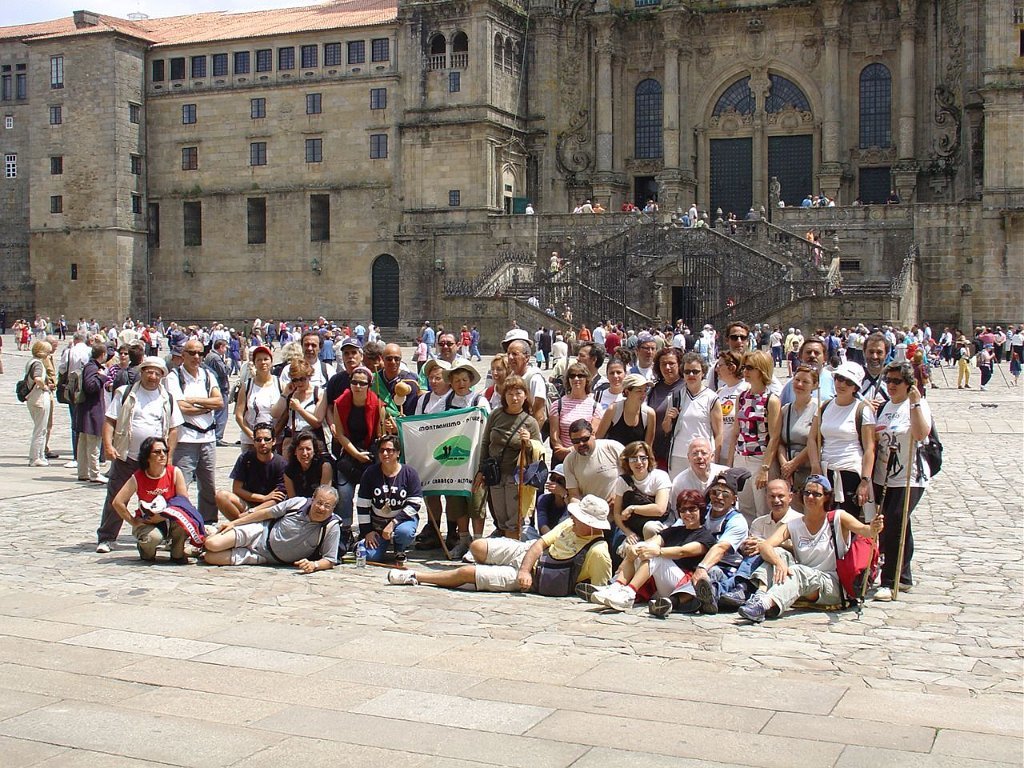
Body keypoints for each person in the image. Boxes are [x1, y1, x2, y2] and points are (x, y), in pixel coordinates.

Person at [386, 495, 612, 594]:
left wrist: (526, 574)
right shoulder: (569, 526)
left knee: (466, 572)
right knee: (478, 546)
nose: (572, 519)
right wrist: (524, 567)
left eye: (578, 517)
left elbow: (599, 590)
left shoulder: (598, 552)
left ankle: (417, 577)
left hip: (541, 576)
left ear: (591, 525)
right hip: (529, 555)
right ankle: (482, 564)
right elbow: (539, 544)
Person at [736, 475, 883, 622]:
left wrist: (875, 527)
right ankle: (760, 595)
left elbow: (866, 530)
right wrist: (779, 563)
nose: (810, 497)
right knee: (779, 552)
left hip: (830, 583)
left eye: (816, 494)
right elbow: (766, 545)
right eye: (807, 493)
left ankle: (765, 604)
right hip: (802, 578)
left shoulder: (837, 518)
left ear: (826, 497)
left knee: (798, 570)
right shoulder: (794, 525)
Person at [97, 356, 184, 553]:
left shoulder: (167, 398)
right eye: (148, 372)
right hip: (127, 455)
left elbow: (173, 429)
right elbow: (110, 420)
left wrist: (168, 455)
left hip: (154, 460)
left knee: (161, 499)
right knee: (116, 495)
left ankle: (166, 535)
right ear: (141, 372)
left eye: (156, 373)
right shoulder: (125, 393)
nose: (152, 376)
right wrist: (109, 446)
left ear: (162, 376)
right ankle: (107, 537)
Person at [582, 489, 716, 615]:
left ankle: (629, 593)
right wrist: (634, 549)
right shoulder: (674, 531)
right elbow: (652, 542)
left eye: (692, 509)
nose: (687, 514)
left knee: (655, 556)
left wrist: (658, 551)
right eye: (683, 509)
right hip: (660, 584)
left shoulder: (706, 536)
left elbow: (683, 552)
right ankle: (616, 587)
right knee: (640, 549)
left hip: (682, 585)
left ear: (701, 510)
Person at [871, 361, 932, 600]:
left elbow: (920, 434)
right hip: (883, 476)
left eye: (897, 381)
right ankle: (903, 575)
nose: (892, 385)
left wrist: (916, 402)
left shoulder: (916, 405)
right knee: (896, 525)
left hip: (910, 475)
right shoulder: (885, 406)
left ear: (909, 384)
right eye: (889, 381)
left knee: (896, 520)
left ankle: (890, 579)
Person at [204, 485, 341, 573]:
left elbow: (330, 559)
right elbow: (266, 513)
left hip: (263, 557)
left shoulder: (331, 526)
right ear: (313, 499)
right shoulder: (297, 503)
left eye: (327, 506)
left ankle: (206, 541)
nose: (321, 508)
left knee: (210, 557)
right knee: (212, 544)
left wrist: (314, 565)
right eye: (319, 503)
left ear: (333, 508)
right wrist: (235, 523)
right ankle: (209, 534)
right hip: (259, 533)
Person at [474, 375, 542, 537]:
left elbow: (539, 453)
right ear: (504, 396)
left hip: (516, 476)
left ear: (525, 396)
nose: (514, 398)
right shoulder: (496, 415)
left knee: (514, 519)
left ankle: (512, 549)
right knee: (500, 516)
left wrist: (529, 442)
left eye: (518, 393)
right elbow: (485, 443)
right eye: (510, 394)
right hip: (495, 473)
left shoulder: (530, 422)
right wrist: (481, 470)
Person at [808, 361, 876, 521]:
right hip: (826, 471)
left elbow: (869, 448)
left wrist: (865, 481)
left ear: (855, 387)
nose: (842, 384)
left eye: (848, 382)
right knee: (825, 520)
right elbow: (812, 438)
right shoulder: (824, 406)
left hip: (851, 472)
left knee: (848, 520)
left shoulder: (863, 411)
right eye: (839, 378)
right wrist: (815, 465)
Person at [165, 338, 222, 527]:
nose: (196, 357)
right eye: (192, 353)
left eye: (200, 353)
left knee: (208, 485)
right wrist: (206, 405)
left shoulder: (207, 376)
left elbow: (219, 402)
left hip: (208, 438)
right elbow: (181, 408)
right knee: (181, 485)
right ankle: (178, 523)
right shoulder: (174, 377)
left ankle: (208, 522)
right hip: (185, 439)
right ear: (183, 355)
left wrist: (194, 401)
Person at [111, 436, 192, 561]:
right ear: (147, 456)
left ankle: (177, 552)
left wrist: (163, 516)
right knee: (152, 540)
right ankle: (144, 548)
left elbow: (183, 502)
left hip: (171, 518)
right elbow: (118, 502)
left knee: (184, 524)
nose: (162, 455)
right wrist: (133, 521)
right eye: (157, 452)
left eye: (165, 451)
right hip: (147, 521)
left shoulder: (175, 472)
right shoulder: (138, 477)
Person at [327, 365, 385, 531]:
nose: (358, 386)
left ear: (369, 385)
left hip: (370, 449)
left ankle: (372, 527)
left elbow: (379, 435)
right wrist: (357, 454)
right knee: (344, 491)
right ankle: (345, 528)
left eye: (362, 383)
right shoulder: (340, 403)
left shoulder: (377, 404)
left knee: (376, 490)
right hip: (349, 450)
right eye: (354, 382)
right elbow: (340, 434)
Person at [726, 350, 781, 523]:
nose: (745, 372)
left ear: (761, 370)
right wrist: (730, 463)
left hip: (760, 459)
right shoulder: (741, 397)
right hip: (741, 456)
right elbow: (736, 431)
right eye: (744, 367)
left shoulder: (771, 400)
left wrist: (765, 468)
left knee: (762, 510)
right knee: (744, 507)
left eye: (750, 368)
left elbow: (774, 437)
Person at [356, 435, 424, 564]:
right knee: (370, 557)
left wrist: (393, 523)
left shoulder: (410, 473)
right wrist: (367, 531)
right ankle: (362, 544)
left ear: (398, 453)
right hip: (377, 523)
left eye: (390, 450)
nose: (385, 453)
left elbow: (415, 504)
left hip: (402, 520)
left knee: (405, 532)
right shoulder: (370, 473)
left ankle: (400, 548)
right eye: (381, 450)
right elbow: (362, 505)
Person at [664, 352, 723, 478]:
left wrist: (714, 459)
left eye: (695, 371)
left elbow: (719, 433)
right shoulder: (675, 396)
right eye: (687, 371)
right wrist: (669, 418)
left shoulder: (712, 398)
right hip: (678, 455)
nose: (691, 375)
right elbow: (666, 428)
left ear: (703, 373)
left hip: (702, 457)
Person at [609, 440, 672, 556]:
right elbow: (617, 513)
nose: (639, 462)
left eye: (643, 458)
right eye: (633, 459)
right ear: (627, 462)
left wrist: (633, 508)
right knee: (625, 549)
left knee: (650, 528)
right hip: (634, 527)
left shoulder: (660, 476)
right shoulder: (622, 481)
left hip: (659, 525)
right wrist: (628, 533)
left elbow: (660, 509)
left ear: (649, 459)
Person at [215, 422, 288, 520]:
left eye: (267, 439)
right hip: (248, 504)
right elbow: (237, 489)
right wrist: (263, 498)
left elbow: (278, 498)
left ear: (274, 441)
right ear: (254, 442)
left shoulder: (282, 464)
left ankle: (239, 522)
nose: (262, 443)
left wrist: (254, 511)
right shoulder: (245, 458)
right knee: (221, 496)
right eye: (258, 439)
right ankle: (240, 523)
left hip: (269, 508)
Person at [775, 363, 818, 508]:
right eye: (797, 380)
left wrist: (794, 464)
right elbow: (779, 441)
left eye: (805, 382)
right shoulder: (785, 410)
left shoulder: (819, 409)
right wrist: (785, 466)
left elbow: (816, 441)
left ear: (815, 385)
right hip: (789, 474)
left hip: (808, 470)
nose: (799, 384)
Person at [270, 359, 324, 457]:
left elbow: (317, 422)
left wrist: (299, 409)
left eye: (302, 379)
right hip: (292, 439)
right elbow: (275, 414)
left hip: (311, 439)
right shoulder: (291, 394)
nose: (299, 383)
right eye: (295, 380)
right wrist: (285, 393)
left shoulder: (318, 393)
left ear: (309, 376)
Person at [563, 419, 624, 505]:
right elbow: (574, 494)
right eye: (575, 441)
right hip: (590, 513)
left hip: (619, 509)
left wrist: (619, 495)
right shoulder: (570, 461)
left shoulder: (612, 448)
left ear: (593, 434)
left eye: (584, 439)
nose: (581, 444)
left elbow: (633, 474)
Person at [549, 362, 600, 464]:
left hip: (585, 458)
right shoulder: (557, 405)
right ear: (568, 379)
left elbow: (593, 436)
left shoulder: (595, 407)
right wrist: (562, 451)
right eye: (572, 376)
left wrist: (571, 451)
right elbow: (554, 436)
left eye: (580, 376)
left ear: (587, 379)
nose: (576, 379)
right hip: (562, 459)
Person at [646, 347, 685, 470]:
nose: (667, 367)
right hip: (654, 450)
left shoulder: (686, 388)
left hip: (675, 452)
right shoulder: (654, 389)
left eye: (671, 363)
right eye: (663, 364)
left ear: (680, 365)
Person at [75, 343, 109, 483]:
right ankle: (94, 473)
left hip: (86, 410)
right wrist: (102, 377)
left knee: (83, 443)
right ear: (102, 355)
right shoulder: (92, 368)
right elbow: (90, 386)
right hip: (92, 411)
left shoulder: (91, 365)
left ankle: (83, 472)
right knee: (93, 443)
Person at [235, 345, 281, 449]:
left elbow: (285, 414)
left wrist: (272, 435)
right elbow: (239, 415)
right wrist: (253, 436)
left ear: (271, 362)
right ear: (254, 363)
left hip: (275, 441)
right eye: (259, 360)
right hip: (250, 442)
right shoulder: (247, 386)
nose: (263, 362)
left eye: (266, 359)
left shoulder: (279, 384)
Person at [596, 373, 656, 448]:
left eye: (645, 390)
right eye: (639, 391)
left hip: (635, 458)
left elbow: (648, 448)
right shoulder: (613, 410)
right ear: (627, 392)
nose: (643, 395)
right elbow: (598, 439)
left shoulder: (649, 414)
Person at [23, 339, 54, 467]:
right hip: (39, 398)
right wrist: (45, 386)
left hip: (33, 399)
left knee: (41, 428)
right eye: (48, 352)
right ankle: (36, 457)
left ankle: (39, 455)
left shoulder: (31, 361)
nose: (49, 355)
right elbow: (37, 378)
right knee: (40, 429)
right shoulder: (38, 364)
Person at [714, 349, 748, 466]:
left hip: (738, 455)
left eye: (720, 365)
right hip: (720, 453)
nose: (717, 369)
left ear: (732, 367)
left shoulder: (746, 389)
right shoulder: (720, 392)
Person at [669, 436, 729, 501]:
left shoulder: (725, 473)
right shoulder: (679, 482)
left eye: (704, 453)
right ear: (688, 457)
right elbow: (676, 509)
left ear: (712, 456)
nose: (699, 457)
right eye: (695, 453)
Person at [284, 429, 333, 499]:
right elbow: (292, 500)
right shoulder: (289, 471)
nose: (304, 453)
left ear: (314, 451)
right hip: (298, 506)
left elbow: (323, 498)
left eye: (308, 449)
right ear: (295, 451)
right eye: (301, 449)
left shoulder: (324, 467)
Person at [535, 464, 569, 534]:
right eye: (553, 478)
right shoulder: (543, 499)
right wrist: (549, 540)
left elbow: (570, 517)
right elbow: (542, 525)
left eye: (560, 480)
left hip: (565, 539)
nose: (555, 483)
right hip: (547, 538)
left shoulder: (572, 502)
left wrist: (564, 494)